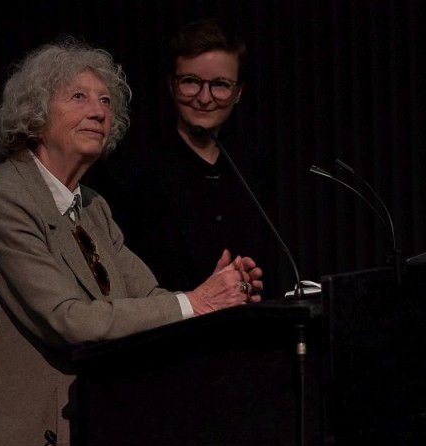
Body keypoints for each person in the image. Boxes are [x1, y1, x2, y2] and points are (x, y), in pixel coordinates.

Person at [0, 36, 264, 446]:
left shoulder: (91, 206)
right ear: (34, 113)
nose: (99, 111)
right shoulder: (2, 202)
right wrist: (196, 302)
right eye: (78, 97)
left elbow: (149, 297)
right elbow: (70, 320)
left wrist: (220, 297)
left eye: (106, 101)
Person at [85, 18, 280, 298]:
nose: (204, 97)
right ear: (171, 85)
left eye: (220, 85)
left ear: (239, 93)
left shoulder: (253, 164)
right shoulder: (132, 168)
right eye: (191, 82)